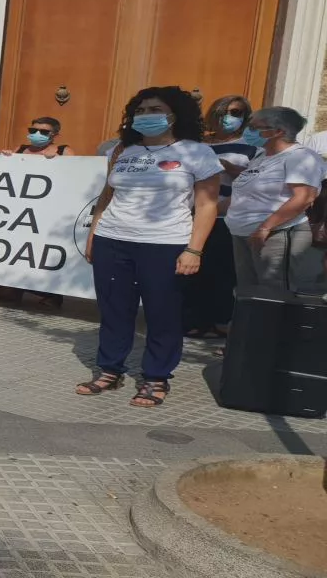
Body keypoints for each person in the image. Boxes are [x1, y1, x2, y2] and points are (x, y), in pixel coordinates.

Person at [78, 86, 222, 408]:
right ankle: (110, 370)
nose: (146, 116)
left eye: (154, 109)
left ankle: (156, 377)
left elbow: (207, 205)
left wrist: (194, 249)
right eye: (140, 111)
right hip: (113, 241)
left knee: (163, 314)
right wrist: (94, 233)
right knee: (115, 310)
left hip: (165, 244)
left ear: (175, 115)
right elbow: (107, 195)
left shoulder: (196, 153)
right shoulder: (123, 150)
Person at [180, 96, 259, 339]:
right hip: (190, 214)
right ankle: (192, 320)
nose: (229, 117)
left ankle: (220, 320)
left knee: (221, 271)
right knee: (190, 271)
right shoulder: (196, 144)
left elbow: (257, 181)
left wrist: (228, 168)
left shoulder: (252, 147)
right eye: (225, 111)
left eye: (236, 112)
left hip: (226, 216)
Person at [226, 107, 326, 294]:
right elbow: (250, 190)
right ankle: (252, 324)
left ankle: (277, 324)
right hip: (244, 232)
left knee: (275, 292)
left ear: (278, 131)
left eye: (256, 127)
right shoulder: (262, 156)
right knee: (248, 292)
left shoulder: (300, 157)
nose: (250, 131)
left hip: (276, 234)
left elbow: (303, 197)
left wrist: (265, 228)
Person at [0, 117, 72, 308]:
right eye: (33, 130)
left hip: (47, 213)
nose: (37, 135)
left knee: (40, 252)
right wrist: (2, 156)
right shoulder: (20, 149)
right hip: (17, 212)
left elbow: (74, 175)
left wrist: (60, 163)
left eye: (44, 132)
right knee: (13, 250)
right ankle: (10, 290)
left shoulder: (64, 151)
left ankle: (50, 294)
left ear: (55, 135)